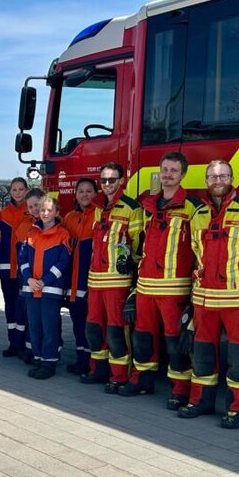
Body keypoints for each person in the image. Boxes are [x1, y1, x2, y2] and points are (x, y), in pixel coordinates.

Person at [179, 159, 239, 429]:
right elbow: (196, 255)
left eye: (223, 176)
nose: (217, 181)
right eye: (212, 176)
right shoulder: (197, 214)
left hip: (238, 300)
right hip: (204, 299)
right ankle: (200, 402)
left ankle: (236, 408)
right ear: (206, 180)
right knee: (202, 354)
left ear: (231, 179)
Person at [119, 151, 202, 408]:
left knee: (175, 342)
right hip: (145, 287)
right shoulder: (147, 205)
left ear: (183, 175)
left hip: (174, 290)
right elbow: (139, 246)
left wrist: (195, 292)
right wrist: (134, 286)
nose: (168, 174)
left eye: (173, 171)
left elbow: (201, 250)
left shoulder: (193, 207)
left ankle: (179, 391)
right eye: (165, 169)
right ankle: (141, 381)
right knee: (141, 337)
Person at [83, 163, 142, 392]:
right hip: (96, 281)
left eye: (111, 179)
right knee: (94, 329)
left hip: (117, 283)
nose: (107, 184)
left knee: (116, 331)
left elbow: (138, 245)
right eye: (104, 180)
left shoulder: (131, 208)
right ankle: (98, 371)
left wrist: (132, 280)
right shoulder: (98, 208)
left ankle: (119, 376)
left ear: (121, 180)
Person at [18, 197, 72, 379]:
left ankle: (49, 363)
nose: (45, 213)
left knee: (50, 327)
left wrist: (45, 280)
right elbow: (23, 260)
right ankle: (39, 359)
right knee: (34, 326)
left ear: (57, 212)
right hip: (32, 289)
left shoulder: (62, 234)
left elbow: (64, 262)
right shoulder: (31, 233)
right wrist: (29, 279)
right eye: (42, 210)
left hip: (50, 290)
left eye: (49, 210)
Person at [62, 177, 100, 374]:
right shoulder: (68, 218)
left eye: (88, 191)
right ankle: (81, 360)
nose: (84, 194)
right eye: (81, 191)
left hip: (91, 280)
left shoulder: (100, 215)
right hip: (73, 282)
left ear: (95, 193)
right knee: (77, 321)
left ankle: (95, 363)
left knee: (93, 322)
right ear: (75, 194)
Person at [0, 177, 29, 357]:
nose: (17, 193)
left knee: (22, 306)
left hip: (25, 270)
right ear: (10, 192)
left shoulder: (31, 210)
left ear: (26, 190)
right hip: (7, 269)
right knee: (10, 306)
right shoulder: (3, 214)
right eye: (14, 189)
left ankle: (23, 343)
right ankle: (13, 343)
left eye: (21, 189)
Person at [15, 187, 45, 363]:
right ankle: (32, 352)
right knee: (31, 319)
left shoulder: (56, 225)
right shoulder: (28, 228)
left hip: (47, 284)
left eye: (37, 205)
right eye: (31, 207)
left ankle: (48, 355)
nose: (34, 209)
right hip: (30, 281)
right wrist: (27, 278)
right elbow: (22, 256)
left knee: (48, 322)